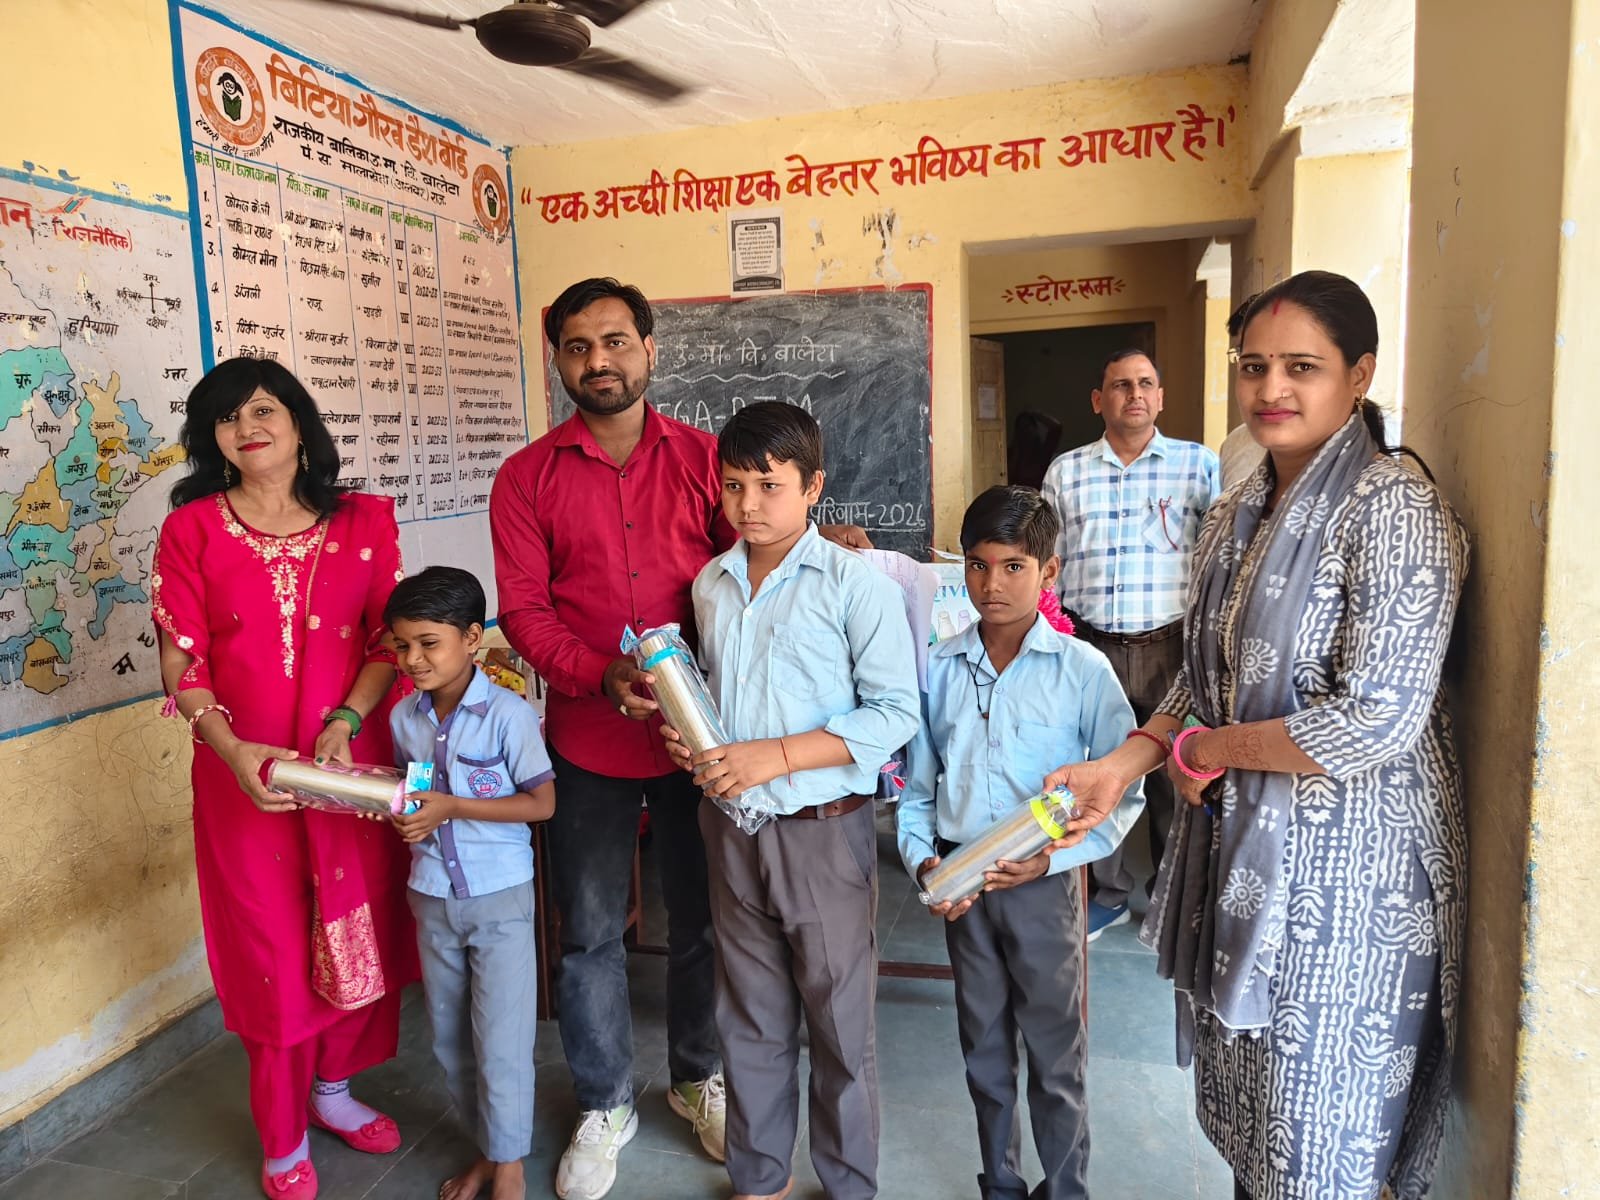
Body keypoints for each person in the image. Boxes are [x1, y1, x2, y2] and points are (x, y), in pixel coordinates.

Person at [1059, 271, 1469, 1200]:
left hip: (1347, 885)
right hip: (1249, 866)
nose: (1271, 388)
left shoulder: (1394, 507)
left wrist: (1208, 752)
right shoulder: (1236, 508)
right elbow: (1205, 680)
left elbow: (1377, 718)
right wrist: (1126, 764)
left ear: (1359, 375)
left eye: (1302, 367)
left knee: (1320, 1141)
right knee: (1258, 1132)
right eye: (1253, 367)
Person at [489, 278, 870, 1200]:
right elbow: (525, 612)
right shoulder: (526, 478)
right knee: (587, 932)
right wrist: (598, 673)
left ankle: (698, 1076)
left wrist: (830, 540)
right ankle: (603, 1101)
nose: (599, 361)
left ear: (650, 350)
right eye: (578, 346)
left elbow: (758, 553)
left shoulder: (708, 461)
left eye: (616, 340)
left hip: (706, 741)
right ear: (559, 360)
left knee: (703, 924)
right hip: (588, 737)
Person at [151, 358, 418, 1200]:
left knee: (355, 928)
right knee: (269, 948)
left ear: (300, 423)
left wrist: (346, 721)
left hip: (348, 774)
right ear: (213, 440)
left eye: (263, 410)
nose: (247, 428)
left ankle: (333, 1092)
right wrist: (234, 753)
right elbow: (182, 661)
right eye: (227, 418)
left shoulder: (365, 521)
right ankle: (282, 1133)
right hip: (245, 782)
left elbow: (387, 640)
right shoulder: (192, 530)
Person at [665, 402, 920, 1200]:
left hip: (821, 833)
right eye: (733, 486)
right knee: (748, 1014)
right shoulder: (710, 584)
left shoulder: (853, 584)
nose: (748, 504)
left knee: (839, 1020)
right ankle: (760, 1176)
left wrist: (771, 757)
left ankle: (848, 1183)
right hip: (731, 826)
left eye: (769, 485)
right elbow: (721, 698)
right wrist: (692, 738)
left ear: (813, 487)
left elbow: (893, 715)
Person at [896, 485, 1144, 1200]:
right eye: (977, 566)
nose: (992, 584)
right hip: (966, 889)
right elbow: (918, 791)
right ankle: (1000, 1185)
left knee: (1056, 1053)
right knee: (983, 1048)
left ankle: (1066, 1189)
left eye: (1013, 567)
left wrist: (1053, 859)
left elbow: (1122, 792)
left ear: (1049, 571)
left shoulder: (1082, 671)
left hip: (1044, 888)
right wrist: (925, 864)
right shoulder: (941, 671)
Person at [387, 567, 558, 1200]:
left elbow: (541, 804)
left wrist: (452, 807)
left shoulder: (507, 716)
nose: (414, 659)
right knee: (450, 1038)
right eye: (402, 645)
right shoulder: (405, 718)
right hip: (432, 894)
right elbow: (414, 789)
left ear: (470, 639)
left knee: (502, 1038)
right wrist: (405, 811)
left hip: (499, 897)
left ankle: (510, 1164)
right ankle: (487, 1149)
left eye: (428, 643)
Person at [1040, 349, 1219, 938]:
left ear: (1161, 397)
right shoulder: (1066, 472)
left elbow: (1218, 559)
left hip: (1173, 647)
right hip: (1093, 646)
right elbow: (1049, 565)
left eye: (1145, 384)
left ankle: (1169, 896)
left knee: (1174, 772)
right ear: (1099, 400)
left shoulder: (1198, 466)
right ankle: (1108, 893)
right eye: (1120, 385)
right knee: (1100, 767)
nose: (1134, 394)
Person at [1005, 409, 1063, 491]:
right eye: (1022, 427)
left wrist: (1035, 414)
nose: (1026, 431)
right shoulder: (1010, 454)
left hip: (1036, 495)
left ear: (1035, 429)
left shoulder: (1042, 453)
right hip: (1016, 495)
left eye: (1029, 426)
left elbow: (1057, 427)